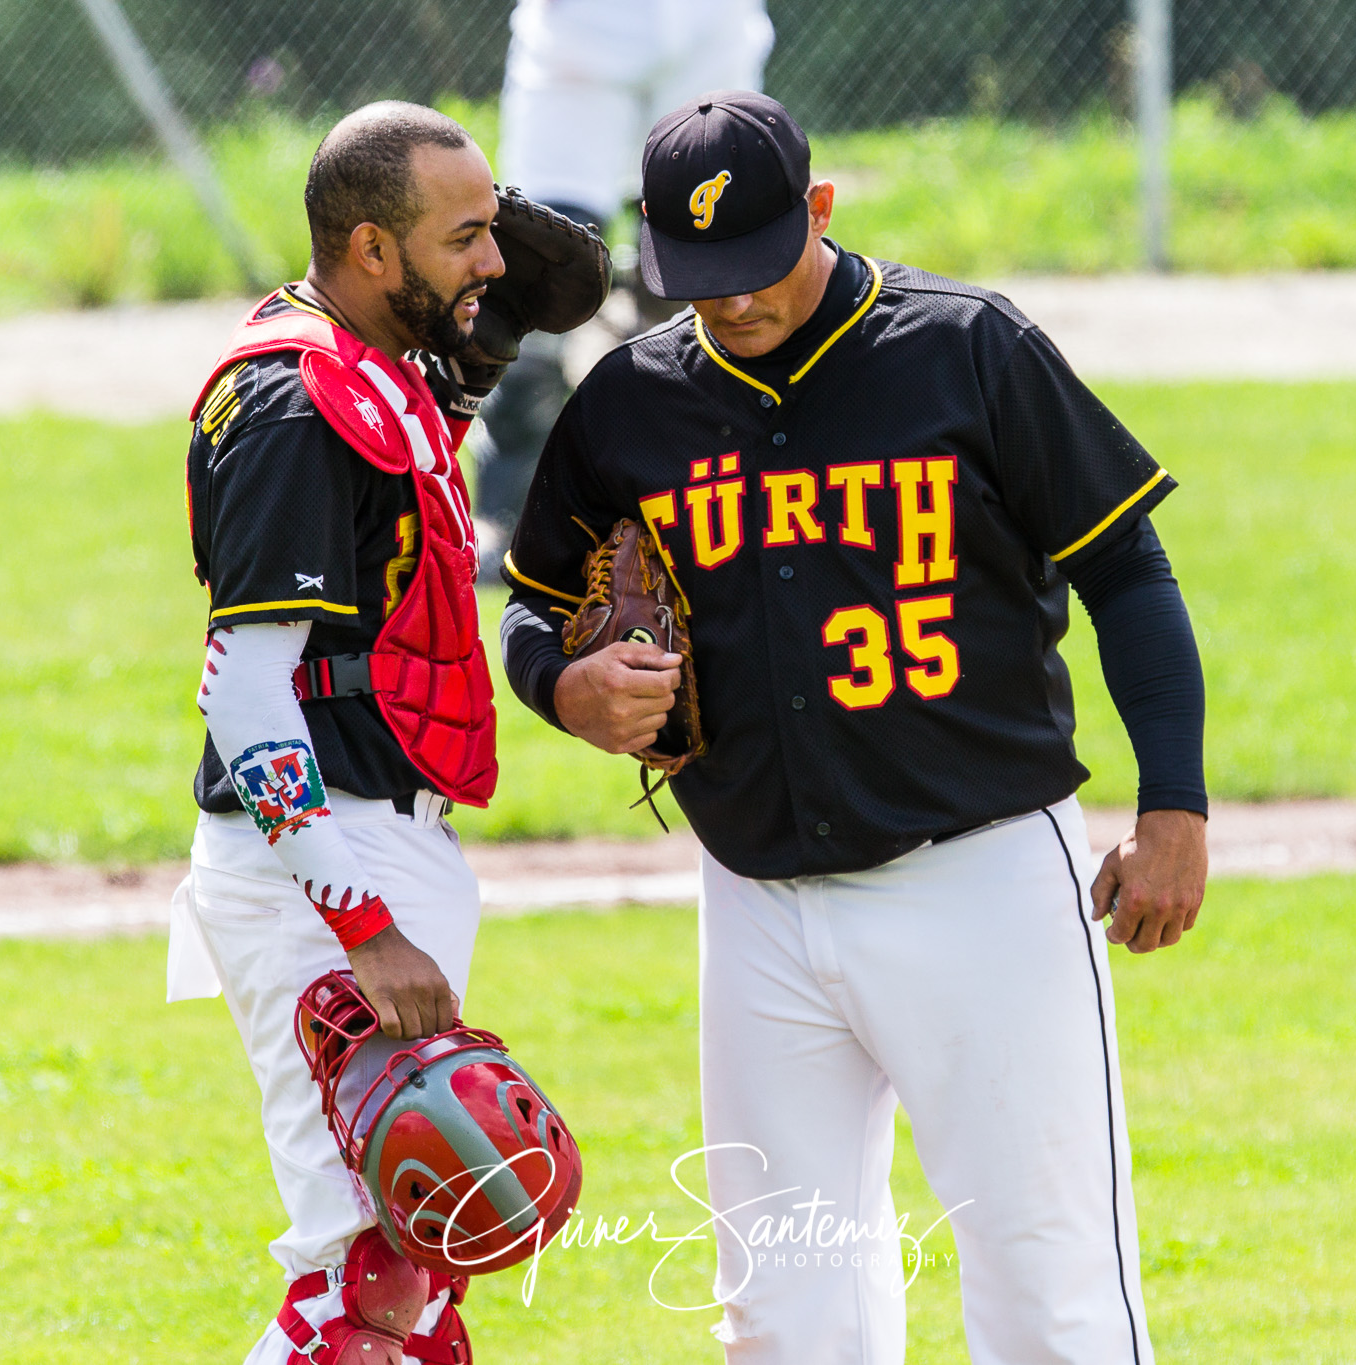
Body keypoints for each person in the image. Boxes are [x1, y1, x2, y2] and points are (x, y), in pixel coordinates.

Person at [499, 91, 1209, 1364]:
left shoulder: (967, 349)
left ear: (818, 210)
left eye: (758, 266)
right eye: (699, 279)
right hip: (755, 898)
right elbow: (534, 608)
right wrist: (565, 690)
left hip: (980, 881)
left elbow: (1129, 575)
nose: (735, 302)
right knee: (782, 1316)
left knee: (1048, 1294)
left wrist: (1174, 808)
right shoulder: (630, 404)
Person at [164, 102, 510, 1365]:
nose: (494, 261)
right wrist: (364, 924)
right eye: (465, 237)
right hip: (324, 868)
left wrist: (478, 345)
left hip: (365, 840)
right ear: (371, 247)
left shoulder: (364, 368)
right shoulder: (294, 410)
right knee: (362, 1283)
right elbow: (243, 692)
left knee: (407, 1271)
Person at [474, 0, 776, 576]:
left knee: (696, 266)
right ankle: (508, 513)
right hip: (580, 25)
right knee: (537, 260)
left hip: (710, 21)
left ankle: (710, 501)